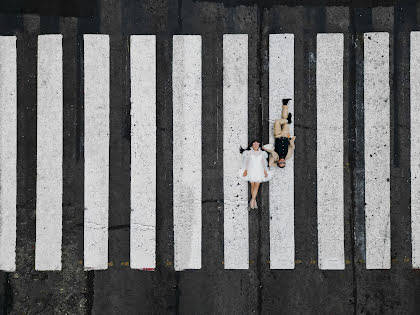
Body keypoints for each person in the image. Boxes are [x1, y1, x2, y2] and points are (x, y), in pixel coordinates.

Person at [238, 139, 273, 209]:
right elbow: (246, 162)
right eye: (255, 144)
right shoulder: (249, 152)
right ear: (252, 145)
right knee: (252, 185)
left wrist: (265, 171)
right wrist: (246, 170)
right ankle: (253, 200)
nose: (256, 145)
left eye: (257, 144)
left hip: (259, 170)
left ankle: (253, 200)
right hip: (251, 169)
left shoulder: (262, 153)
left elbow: (264, 163)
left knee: (257, 185)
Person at [262, 98, 296, 168]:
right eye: (284, 162)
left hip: (278, 135)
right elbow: (292, 148)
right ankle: (285, 104)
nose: (282, 161)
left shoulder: (275, 157)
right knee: (284, 119)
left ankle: (287, 120)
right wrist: (292, 141)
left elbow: (270, 164)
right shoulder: (288, 156)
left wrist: (272, 152)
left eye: (281, 162)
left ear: (278, 162)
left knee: (277, 122)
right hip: (286, 135)